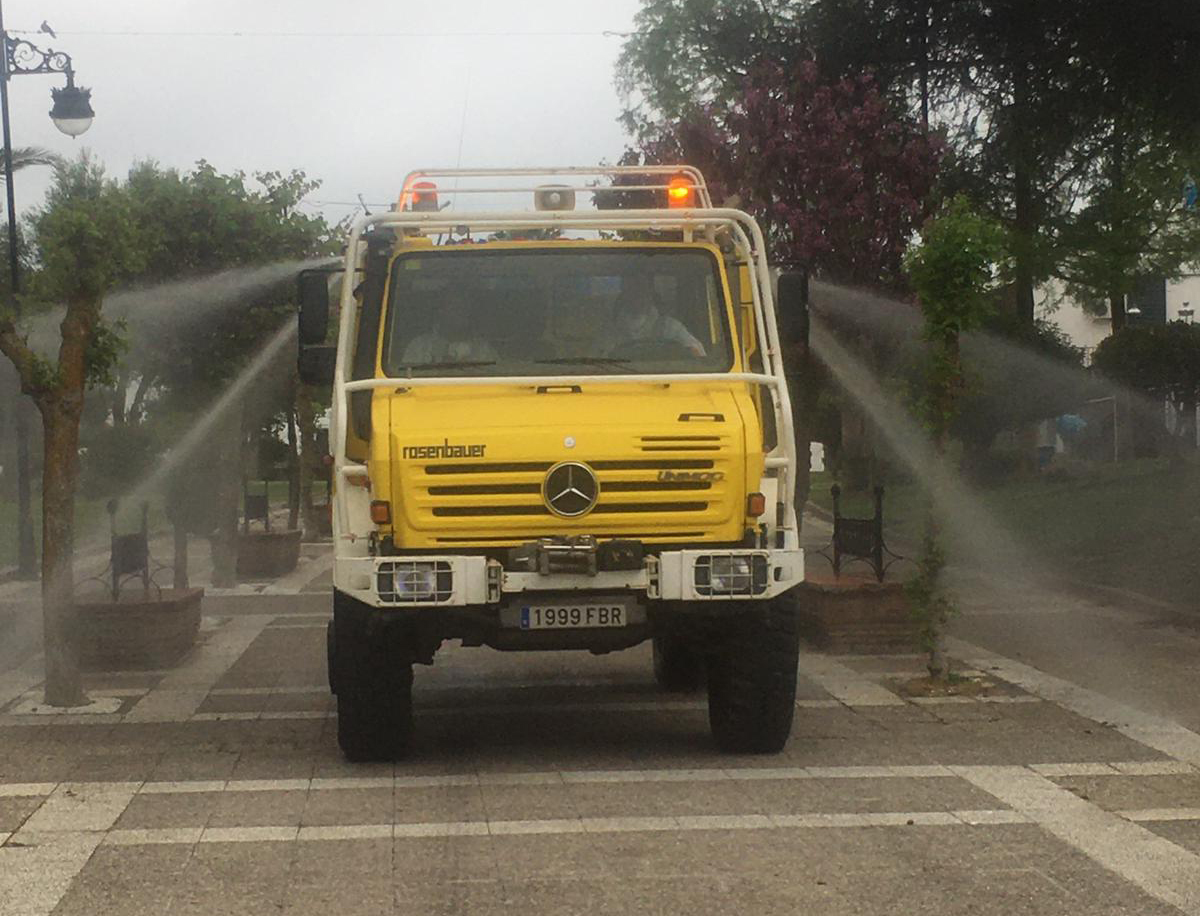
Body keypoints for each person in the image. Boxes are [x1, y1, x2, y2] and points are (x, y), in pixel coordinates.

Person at [608, 275, 706, 357]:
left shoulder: (670, 327)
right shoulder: (610, 331)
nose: (639, 296)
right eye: (632, 290)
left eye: (643, 290)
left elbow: (698, 354)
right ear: (624, 295)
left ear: (651, 294)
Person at [399, 289, 498, 364]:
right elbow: (406, 382)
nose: (458, 313)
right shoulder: (420, 346)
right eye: (453, 307)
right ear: (440, 311)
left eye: (463, 308)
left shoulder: (483, 348)